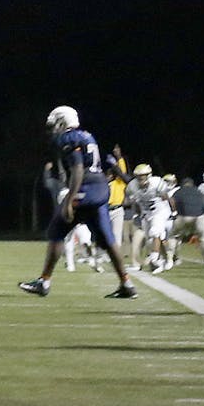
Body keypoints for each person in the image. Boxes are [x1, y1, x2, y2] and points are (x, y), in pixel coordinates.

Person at [19, 106, 135, 299]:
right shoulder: (87, 136)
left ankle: (44, 281)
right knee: (107, 239)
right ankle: (127, 283)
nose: (53, 128)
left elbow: (78, 168)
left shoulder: (68, 138)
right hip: (100, 188)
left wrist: (70, 199)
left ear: (62, 121)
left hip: (85, 188)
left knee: (56, 231)